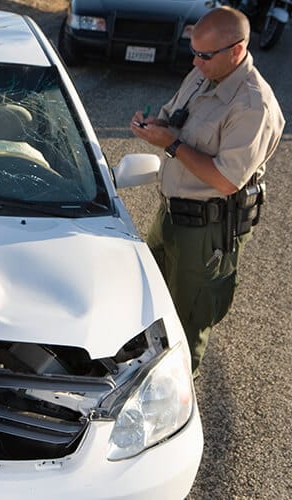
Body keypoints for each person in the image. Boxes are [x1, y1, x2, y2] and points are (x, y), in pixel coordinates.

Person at [130, 6, 284, 377]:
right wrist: (155, 125)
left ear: (236, 50)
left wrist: (170, 145)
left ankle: (176, 410)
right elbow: (173, 115)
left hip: (206, 231)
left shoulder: (252, 105)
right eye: (193, 52)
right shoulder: (205, 74)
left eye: (204, 55)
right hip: (170, 215)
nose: (195, 62)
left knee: (185, 326)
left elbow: (225, 180)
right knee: (149, 306)